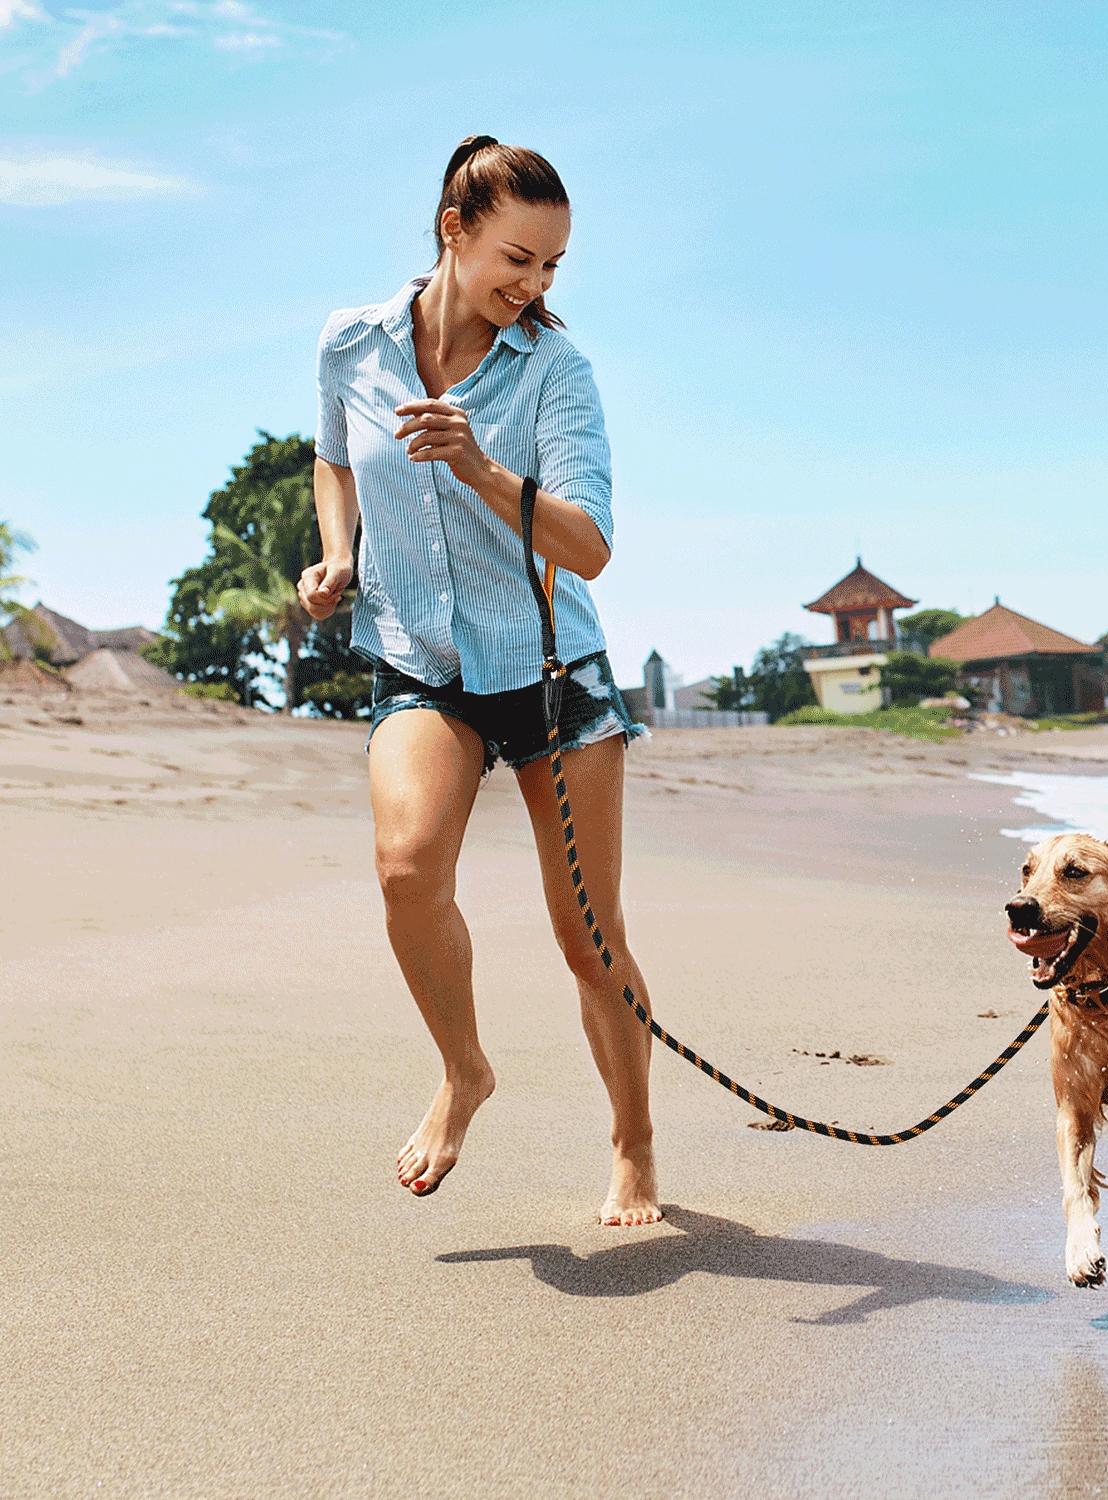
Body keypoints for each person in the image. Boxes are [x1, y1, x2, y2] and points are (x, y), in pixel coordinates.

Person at [297, 135, 662, 1226]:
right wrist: (340, 554)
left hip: (552, 672)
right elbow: (331, 456)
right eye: (518, 258)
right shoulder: (348, 343)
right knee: (408, 868)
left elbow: (589, 546)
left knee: (587, 937)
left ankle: (634, 1142)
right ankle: (464, 1070)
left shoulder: (557, 371)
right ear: (453, 231)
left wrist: (480, 464)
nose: (533, 286)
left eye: (551, 267)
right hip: (419, 655)